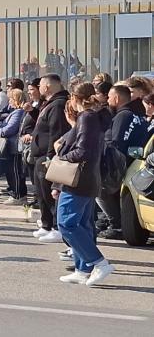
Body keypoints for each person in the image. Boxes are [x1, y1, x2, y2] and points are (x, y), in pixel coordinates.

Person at [55, 85, 115, 287]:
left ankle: (99, 262)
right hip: (88, 178)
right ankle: (83, 269)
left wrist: (62, 155)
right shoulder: (94, 116)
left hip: (78, 179)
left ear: (74, 98)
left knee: (67, 223)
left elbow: (82, 151)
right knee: (82, 224)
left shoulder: (87, 117)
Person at [99, 84, 149, 239]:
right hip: (133, 162)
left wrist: (109, 165)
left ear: (116, 98)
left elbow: (117, 142)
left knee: (101, 190)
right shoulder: (135, 115)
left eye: (109, 97)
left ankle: (117, 225)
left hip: (123, 163)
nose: (107, 100)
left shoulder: (123, 116)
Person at [29, 74, 70, 242]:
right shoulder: (49, 103)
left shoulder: (59, 104)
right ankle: (46, 224)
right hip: (39, 155)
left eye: (40, 85)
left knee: (50, 193)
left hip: (47, 157)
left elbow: (56, 132)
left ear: (47, 87)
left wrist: (51, 156)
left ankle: (56, 226)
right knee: (41, 192)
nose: (39, 89)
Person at [0, 89, 27, 205]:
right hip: (11, 146)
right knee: (11, 171)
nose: (9, 102)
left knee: (15, 172)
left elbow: (10, 129)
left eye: (11, 99)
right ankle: (15, 192)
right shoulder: (14, 112)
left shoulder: (18, 112)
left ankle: (18, 195)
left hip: (14, 146)